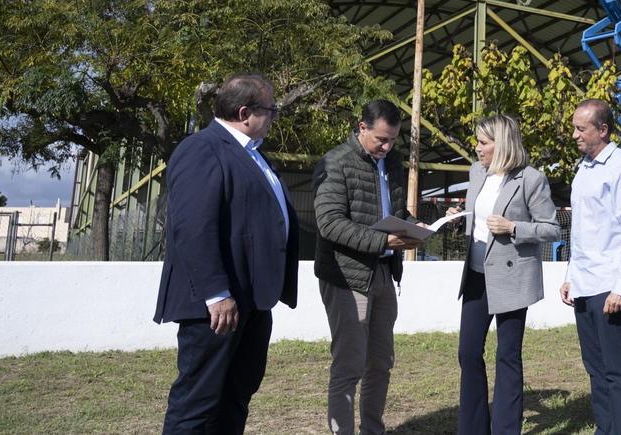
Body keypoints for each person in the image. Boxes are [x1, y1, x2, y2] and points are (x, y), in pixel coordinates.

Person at [154, 73, 299, 434]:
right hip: (217, 309)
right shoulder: (202, 148)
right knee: (197, 405)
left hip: (251, 301)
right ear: (246, 111)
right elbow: (192, 227)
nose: (275, 117)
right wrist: (216, 293)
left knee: (235, 398)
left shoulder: (251, 154)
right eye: (272, 110)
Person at [313, 99, 424, 435]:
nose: (387, 146)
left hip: (383, 274)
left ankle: (373, 430)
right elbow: (329, 223)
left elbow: (397, 212)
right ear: (362, 128)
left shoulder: (392, 162)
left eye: (392, 140)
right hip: (346, 277)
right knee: (349, 365)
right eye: (381, 139)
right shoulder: (335, 163)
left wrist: (414, 228)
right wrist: (383, 242)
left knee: (380, 363)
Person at [447, 114, 560, 435]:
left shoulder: (531, 179)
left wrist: (513, 228)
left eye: (483, 142)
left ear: (502, 144)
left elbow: (552, 229)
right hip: (476, 275)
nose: (477, 148)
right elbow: (478, 219)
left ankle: (506, 430)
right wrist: (459, 219)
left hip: (512, 279)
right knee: (468, 353)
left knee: (507, 356)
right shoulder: (476, 171)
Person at [561, 99, 621, 434]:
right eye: (574, 127)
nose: (574, 135)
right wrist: (570, 276)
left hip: (610, 288)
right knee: (595, 368)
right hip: (584, 284)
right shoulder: (584, 168)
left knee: (617, 370)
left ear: (603, 130)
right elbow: (581, 229)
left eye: (581, 129)